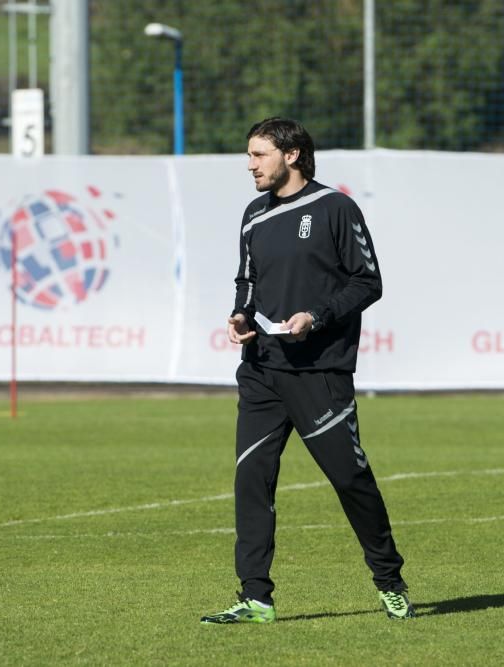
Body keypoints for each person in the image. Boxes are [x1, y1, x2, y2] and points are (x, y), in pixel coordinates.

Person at [200, 117, 413, 625]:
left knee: (350, 479)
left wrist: (316, 319)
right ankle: (256, 597)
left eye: (258, 155)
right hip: (261, 370)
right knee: (252, 479)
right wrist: (241, 316)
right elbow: (246, 282)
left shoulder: (336, 208)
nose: (249, 165)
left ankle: (389, 579)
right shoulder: (253, 214)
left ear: (291, 155)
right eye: (249, 155)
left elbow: (368, 282)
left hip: (319, 371)